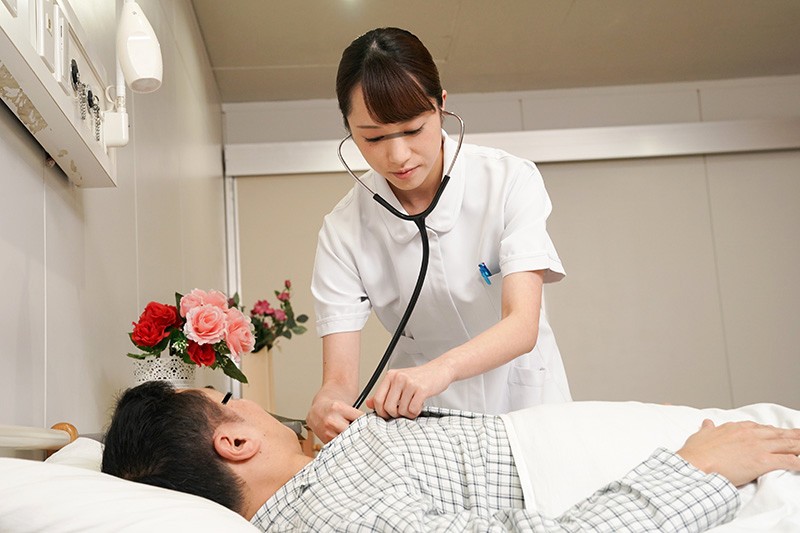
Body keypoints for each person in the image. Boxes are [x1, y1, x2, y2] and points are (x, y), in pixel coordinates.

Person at [309, 27, 570, 443]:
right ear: (348, 128)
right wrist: (327, 405)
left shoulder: (508, 180)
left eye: (413, 129)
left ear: (442, 105)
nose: (398, 156)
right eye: (373, 137)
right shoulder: (343, 230)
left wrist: (441, 370)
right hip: (426, 422)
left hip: (524, 402)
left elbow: (523, 325)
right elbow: (339, 382)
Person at [102, 381, 800, 532]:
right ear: (233, 442)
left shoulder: (324, 481)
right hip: (685, 476)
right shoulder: (338, 516)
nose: (252, 401)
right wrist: (698, 469)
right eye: (231, 397)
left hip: (646, 452)